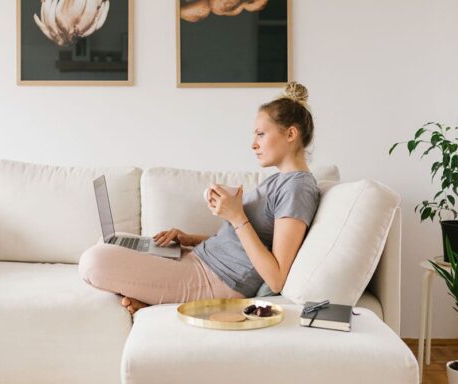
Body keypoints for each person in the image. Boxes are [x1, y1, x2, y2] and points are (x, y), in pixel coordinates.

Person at [78, 82, 321, 315]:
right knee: (108, 241)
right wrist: (189, 239)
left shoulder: (298, 188)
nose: (253, 144)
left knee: (93, 261)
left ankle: (157, 299)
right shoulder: (279, 181)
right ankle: (156, 296)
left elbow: (276, 278)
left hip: (214, 280)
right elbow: (245, 244)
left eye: (260, 134)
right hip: (198, 258)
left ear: (290, 134)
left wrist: (236, 216)